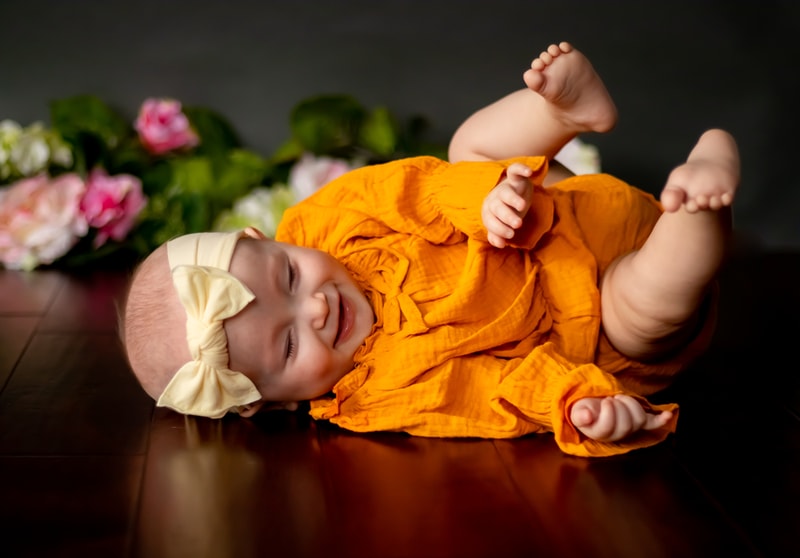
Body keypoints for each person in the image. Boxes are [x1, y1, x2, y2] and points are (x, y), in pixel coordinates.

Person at [122, 42, 739, 457]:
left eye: (287, 277)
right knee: (646, 310)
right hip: (598, 314)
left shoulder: (324, 222)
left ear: (267, 241)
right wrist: (574, 403)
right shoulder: (376, 395)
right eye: (288, 345)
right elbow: (486, 390)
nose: (314, 309)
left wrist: (486, 201)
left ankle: (565, 112)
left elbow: (414, 188)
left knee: (468, 148)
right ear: (267, 402)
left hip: (559, 210)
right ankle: (700, 200)